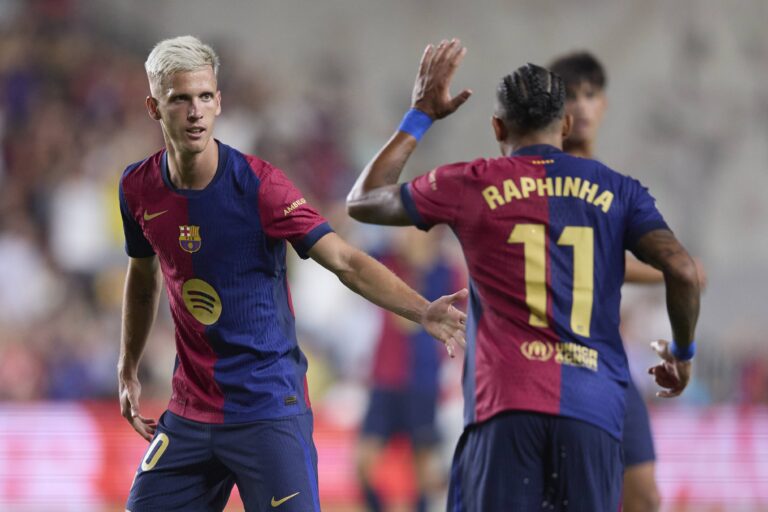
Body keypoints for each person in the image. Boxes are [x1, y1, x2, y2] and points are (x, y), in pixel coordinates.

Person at [346, 39, 700, 510]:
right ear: (567, 124)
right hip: (593, 412)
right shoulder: (619, 191)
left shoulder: (470, 181)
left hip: (504, 409)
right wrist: (682, 353)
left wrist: (422, 114)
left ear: (496, 125)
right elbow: (682, 269)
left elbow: (364, 200)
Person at [117, 35, 467, 512]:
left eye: (204, 97)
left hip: (268, 409)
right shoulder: (137, 188)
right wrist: (128, 366)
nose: (196, 111)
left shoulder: (260, 186)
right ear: (155, 108)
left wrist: (423, 309)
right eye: (180, 99)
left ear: (219, 102)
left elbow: (344, 260)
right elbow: (143, 276)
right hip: (190, 411)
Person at [549, 51, 706, 512]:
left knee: (643, 496)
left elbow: (604, 256)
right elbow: (582, 256)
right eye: (569, 97)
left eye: (590, 95)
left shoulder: (614, 186)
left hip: (609, 364)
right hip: (552, 364)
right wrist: (671, 272)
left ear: (605, 105)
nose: (580, 107)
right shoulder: (542, 183)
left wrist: (676, 272)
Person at [356, 227, 463, 512]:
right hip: (386, 379)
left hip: (423, 382)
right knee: (364, 463)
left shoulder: (445, 272)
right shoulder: (387, 261)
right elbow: (352, 257)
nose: (406, 234)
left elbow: (465, 315)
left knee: (424, 470)